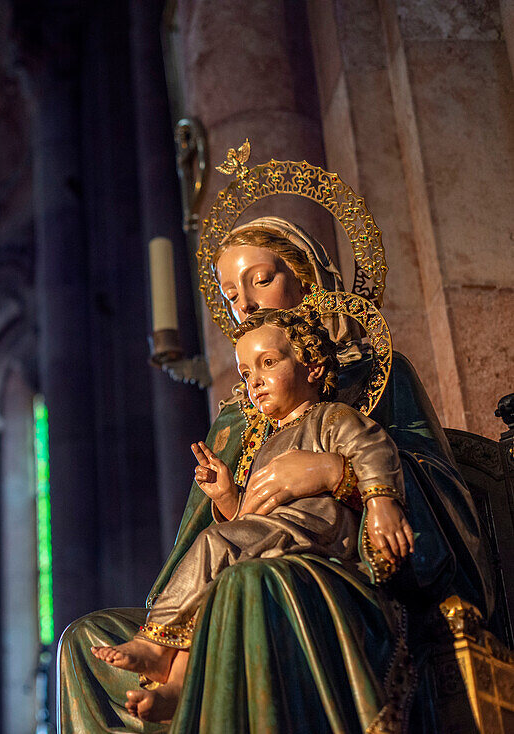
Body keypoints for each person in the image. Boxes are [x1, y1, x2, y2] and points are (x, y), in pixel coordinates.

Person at [56, 216, 493, 733]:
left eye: (260, 280)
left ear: (305, 276)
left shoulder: (373, 376)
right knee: (85, 638)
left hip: (336, 569)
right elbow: (218, 535)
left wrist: (335, 474)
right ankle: (172, 673)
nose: (245, 303)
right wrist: (226, 500)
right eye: (229, 293)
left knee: (249, 584)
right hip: (238, 574)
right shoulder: (235, 419)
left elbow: (445, 500)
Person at [90, 305, 415, 711]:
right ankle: (176, 688)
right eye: (246, 374)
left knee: (213, 545)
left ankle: (155, 642)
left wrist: (382, 502)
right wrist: (228, 497)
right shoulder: (262, 444)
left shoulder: (332, 418)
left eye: (268, 363)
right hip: (274, 535)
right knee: (214, 586)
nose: (254, 382)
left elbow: (373, 450)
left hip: (317, 532)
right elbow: (252, 516)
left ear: (312, 367)